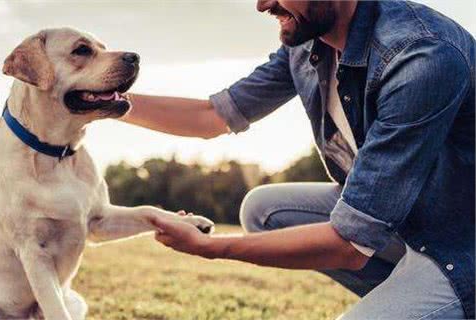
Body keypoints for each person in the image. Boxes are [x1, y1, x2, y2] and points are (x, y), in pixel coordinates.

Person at [122, 1, 475, 319]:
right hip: (408, 220)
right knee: (264, 210)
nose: (263, 5)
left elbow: (349, 244)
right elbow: (211, 116)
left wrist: (210, 247)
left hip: (460, 245)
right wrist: (104, 101)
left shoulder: (420, 55)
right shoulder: (310, 43)